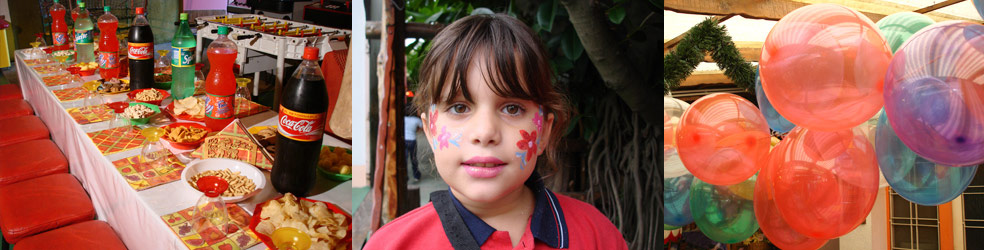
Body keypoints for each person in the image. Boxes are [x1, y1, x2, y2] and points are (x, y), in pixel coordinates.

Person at [364, 14, 628, 249]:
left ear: (544, 133)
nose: (485, 132)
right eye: (458, 107)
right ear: (430, 131)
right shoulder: (390, 244)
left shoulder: (597, 235)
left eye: (512, 108)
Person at [405, 106, 424, 181]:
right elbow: (422, 128)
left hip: (404, 140)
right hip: (412, 140)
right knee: (413, 159)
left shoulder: (404, 119)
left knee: (404, 160)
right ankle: (416, 176)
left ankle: (405, 176)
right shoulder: (416, 120)